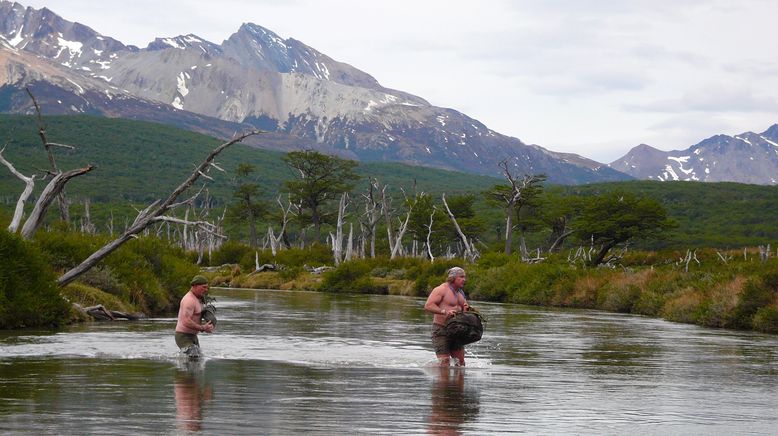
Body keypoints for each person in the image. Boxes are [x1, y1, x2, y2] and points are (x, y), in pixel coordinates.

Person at [424, 267, 470, 366]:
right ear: (453, 278)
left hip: (457, 331)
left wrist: (466, 309)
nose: (464, 279)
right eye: (461, 277)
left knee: (461, 364)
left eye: (464, 277)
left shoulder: (460, 292)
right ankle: (435, 372)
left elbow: (464, 311)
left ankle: (457, 381)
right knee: (445, 362)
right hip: (441, 330)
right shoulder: (441, 289)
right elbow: (428, 306)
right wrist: (444, 312)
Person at [175, 275, 215, 355]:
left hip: (193, 336)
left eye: (207, 287)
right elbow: (186, 321)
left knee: (198, 359)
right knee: (193, 356)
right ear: (195, 286)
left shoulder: (199, 298)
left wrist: (209, 323)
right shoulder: (189, 300)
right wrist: (203, 328)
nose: (206, 290)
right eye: (203, 287)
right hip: (183, 336)